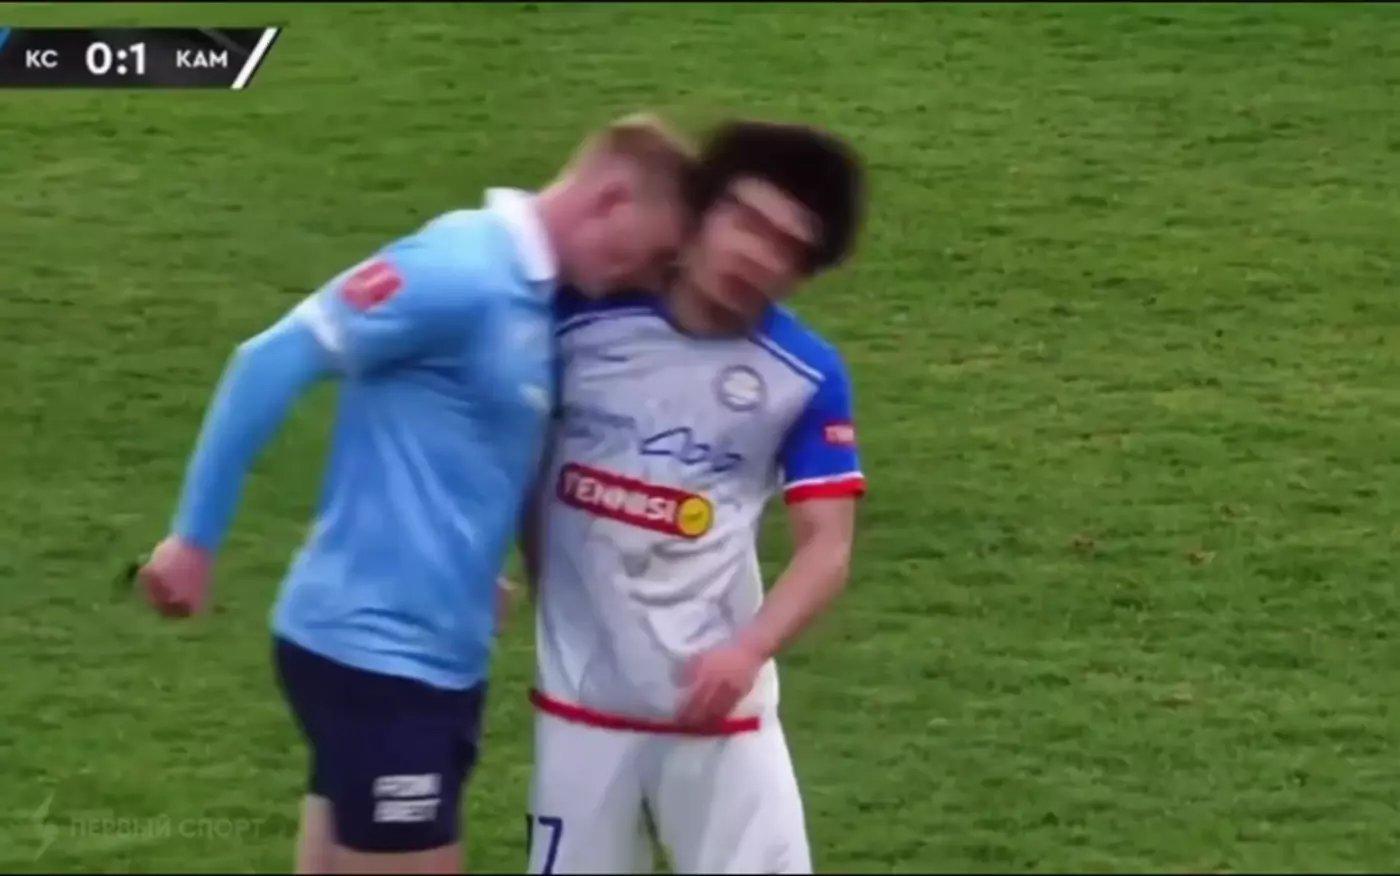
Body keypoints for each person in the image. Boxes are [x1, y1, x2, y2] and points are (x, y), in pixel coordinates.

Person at [134, 114, 695, 875]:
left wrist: (472, 570)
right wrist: (193, 539)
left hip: (429, 660)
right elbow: (271, 359)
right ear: (613, 197)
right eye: (656, 254)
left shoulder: (532, 300)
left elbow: (465, 445)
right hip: (376, 656)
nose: (647, 278)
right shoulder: (462, 267)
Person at [523, 119, 868, 874]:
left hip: (722, 713)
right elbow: (494, 441)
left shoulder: (804, 375)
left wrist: (748, 651)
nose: (756, 254)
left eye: (788, 248)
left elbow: (828, 547)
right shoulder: (575, 319)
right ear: (702, 211)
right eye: (746, 221)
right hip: (581, 705)